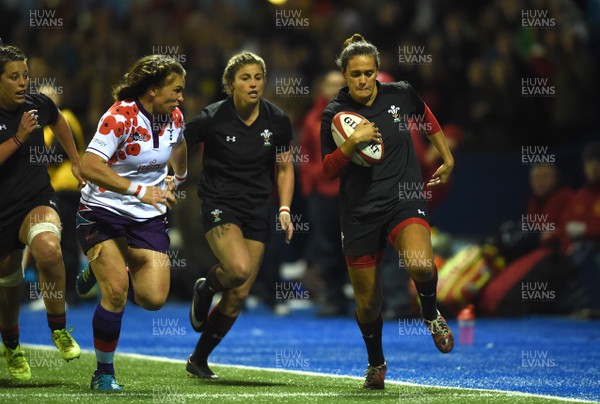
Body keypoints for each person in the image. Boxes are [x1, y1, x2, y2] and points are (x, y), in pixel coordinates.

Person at [320, 34, 455, 389]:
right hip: (360, 213)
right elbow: (328, 170)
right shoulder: (335, 114)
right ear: (345, 76)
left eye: (368, 73)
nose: (363, 80)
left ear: (378, 72)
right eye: (355, 75)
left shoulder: (400, 93)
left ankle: (430, 313)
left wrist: (447, 156)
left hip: (403, 200)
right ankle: (376, 362)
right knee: (368, 304)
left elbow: (426, 117)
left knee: (422, 264)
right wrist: (352, 143)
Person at [75, 54, 188, 391]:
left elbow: (180, 145)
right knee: (116, 293)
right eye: (176, 90)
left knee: (153, 298)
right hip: (101, 210)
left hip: (147, 216)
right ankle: (103, 374)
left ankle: (98, 272)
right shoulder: (119, 116)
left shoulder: (175, 116)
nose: (181, 97)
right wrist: (140, 190)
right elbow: (89, 165)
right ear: (152, 90)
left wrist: (178, 177)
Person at [186, 51, 294, 379]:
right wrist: (170, 178)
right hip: (220, 203)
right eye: (245, 78)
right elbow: (178, 145)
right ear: (230, 83)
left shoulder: (277, 120)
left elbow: (285, 165)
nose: (253, 84)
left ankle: (199, 359)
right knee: (237, 269)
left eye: (258, 78)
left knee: (239, 294)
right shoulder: (212, 117)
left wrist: (285, 208)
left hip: (257, 208)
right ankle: (205, 289)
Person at [0, 45, 83, 382]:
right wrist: (19, 138)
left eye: (25, 75)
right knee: (8, 289)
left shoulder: (37, 104)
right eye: (13, 77)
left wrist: (75, 159)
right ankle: (12, 346)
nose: (23, 83)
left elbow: (58, 120)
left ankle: (59, 327)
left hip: (35, 200)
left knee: (49, 249)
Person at [299, 70, 348, 317]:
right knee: (326, 247)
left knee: (354, 246)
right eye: (330, 84)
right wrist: (311, 182)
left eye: (339, 84)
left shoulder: (356, 116)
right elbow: (304, 154)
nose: (334, 89)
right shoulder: (312, 119)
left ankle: (363, 300)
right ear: (322, 89)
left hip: (349, 191)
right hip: (322, 193)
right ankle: (333, 298)